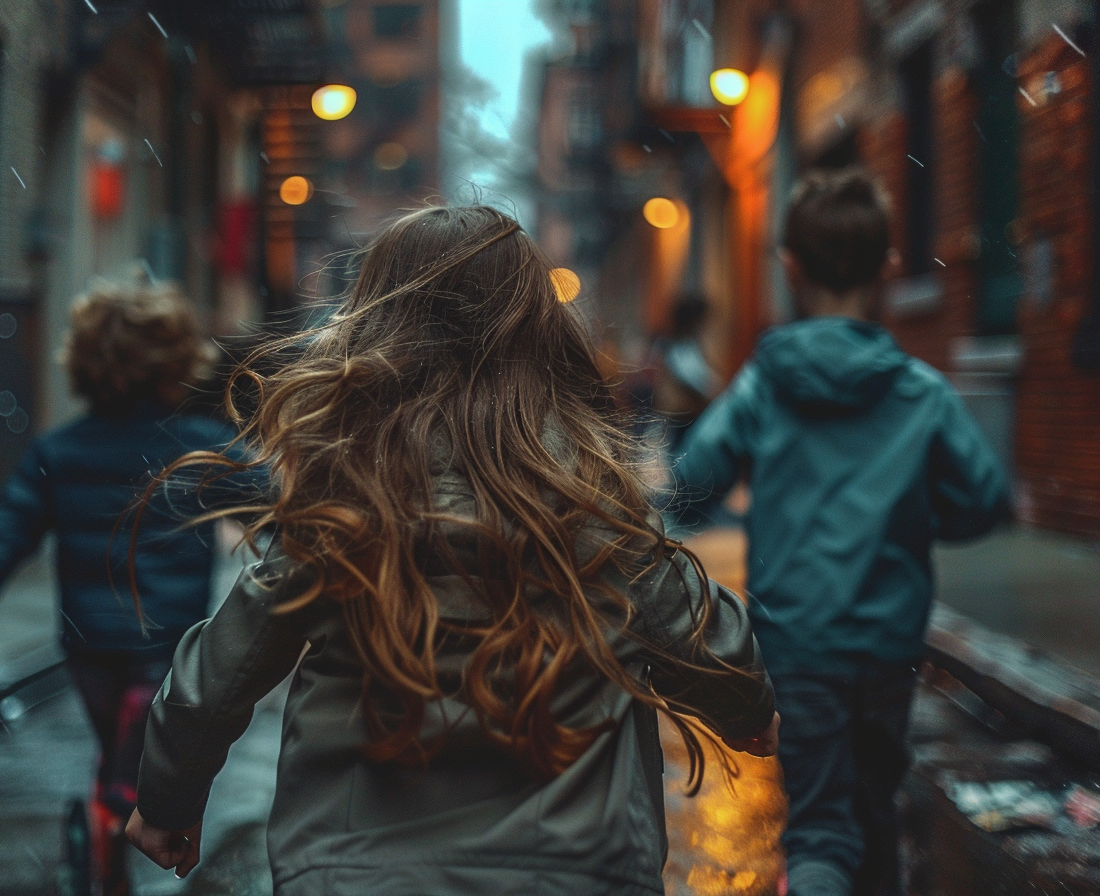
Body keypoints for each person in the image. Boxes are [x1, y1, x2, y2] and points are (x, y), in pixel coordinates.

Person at [125, 206, 780, 896]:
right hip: (576, 870)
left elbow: (218, 676)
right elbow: (700, 633)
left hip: (358, 875)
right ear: (540, 336)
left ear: (374, 330)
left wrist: (168, 802)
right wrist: (747, 710)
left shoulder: (344, 516)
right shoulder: (591, 514)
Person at [668, 169, 1011, 896]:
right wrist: (916, 516)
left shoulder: (766, 382)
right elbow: (986, 499)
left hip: (798, 639)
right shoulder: (918, 389)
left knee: (823, 824)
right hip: (889, 644)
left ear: (789, 266)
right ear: (887, 267)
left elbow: (693, 481)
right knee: (871, 806)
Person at [0, 279, 267, 895]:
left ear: (84, 362)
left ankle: (103, 832)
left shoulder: (59, 450)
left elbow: (1, 537)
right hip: (161, 640)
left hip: (87, 644)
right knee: (136, 749)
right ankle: (108, 827)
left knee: (118, 744)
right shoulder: (199, 446)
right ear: (177, 360)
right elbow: (275, 503)